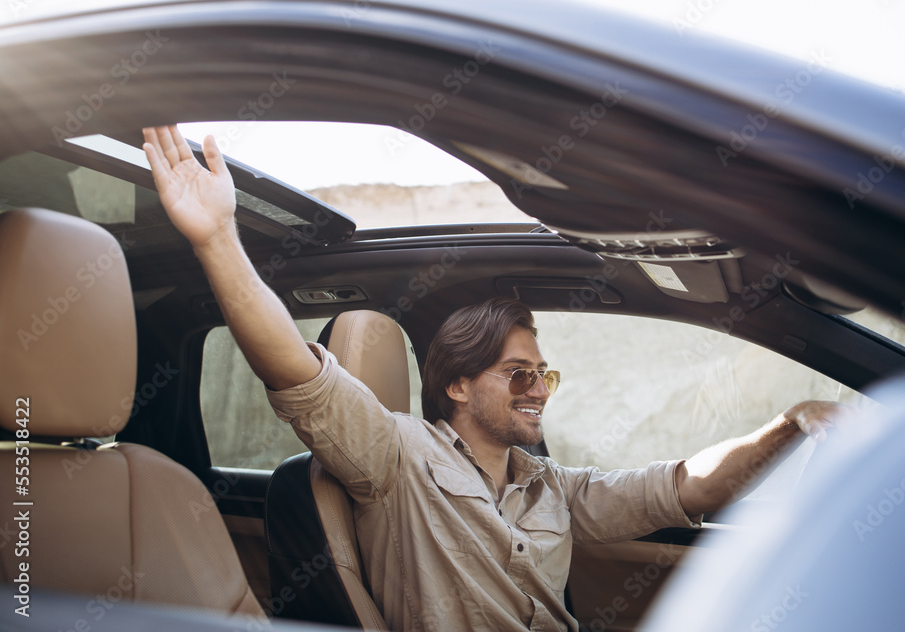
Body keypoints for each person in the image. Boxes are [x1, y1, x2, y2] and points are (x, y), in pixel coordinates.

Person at [142, 125, 851, 631]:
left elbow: (688, 484)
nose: (540, 388)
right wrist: (217, 237)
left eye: (543, 373)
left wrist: (790, 424)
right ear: (457, 385)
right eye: (517, 374)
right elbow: (293, 366)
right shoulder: (394, 456)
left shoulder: (554, 487)